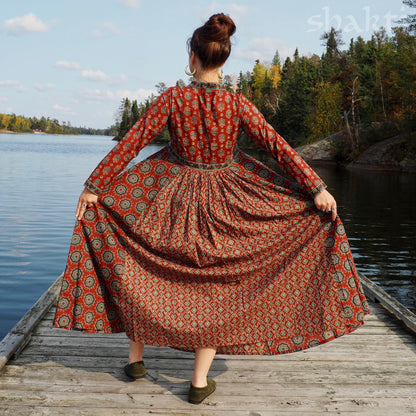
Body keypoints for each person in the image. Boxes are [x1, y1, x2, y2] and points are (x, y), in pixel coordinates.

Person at [54, 13, 370, 405]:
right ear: (224, 59)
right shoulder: (237, 104)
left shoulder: (172, 99)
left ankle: (136, 360)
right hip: (225, 201)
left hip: (169, 196)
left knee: (141, 264)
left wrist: (94, 187)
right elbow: (278, 147)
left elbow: (131, 143)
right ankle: (199, 382)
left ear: (193, 57)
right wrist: (316, 187)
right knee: (215, 286)